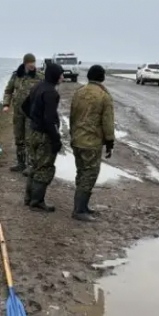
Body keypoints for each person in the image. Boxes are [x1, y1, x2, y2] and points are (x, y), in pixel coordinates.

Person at [68, 64, 115, 222]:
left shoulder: (79, 92)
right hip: (91, 143)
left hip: (77, 140)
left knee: (81, 172)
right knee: (89, 174)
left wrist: (72, 134)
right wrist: (110, 142)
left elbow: (72, 115)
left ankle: (83, 206)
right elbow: (107, 122)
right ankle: (79, 210)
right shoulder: (104, 96)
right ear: (102, 77)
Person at [20, 62, 64, 212]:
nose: (63, 77)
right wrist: (56, 139)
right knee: (44, 168)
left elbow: (24, 106)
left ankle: (28, 198)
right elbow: (49, 119)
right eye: (61, 74)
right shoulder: (51, 93)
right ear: (55, 76)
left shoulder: (37, 86)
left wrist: (34, 119)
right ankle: (37, 201)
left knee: (34, 165)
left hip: (33, 133)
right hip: (44, 135)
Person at [2, 53, 44, 175]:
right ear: (25, 63)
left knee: (30, 139)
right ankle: (21, 163)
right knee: (19, 137)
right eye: (30, 63)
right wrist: (6, 104)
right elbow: (8, 91)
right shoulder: (16, 75)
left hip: (32, 113)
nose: (32, 65)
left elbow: (47, 91)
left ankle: (31, 165)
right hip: (18, 112)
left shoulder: (40, 76)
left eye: (34, 63)